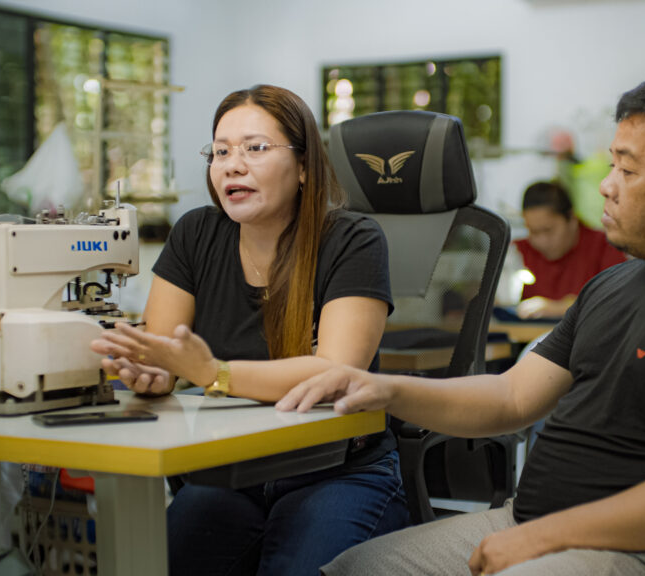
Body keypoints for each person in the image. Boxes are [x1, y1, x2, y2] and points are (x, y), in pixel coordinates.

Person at [276, 73, 645, 576]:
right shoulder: (614, 285)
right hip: (528, 522)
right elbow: (512, 397)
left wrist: (543, 538)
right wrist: (382, 388)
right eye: (611, 166)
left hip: (640, 553)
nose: (607, 187)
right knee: (353, 568)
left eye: (627, 171)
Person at [89, 84, 408, 575]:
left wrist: (213, 373)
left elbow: (335, 372)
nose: (231, 166)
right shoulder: (196, 233)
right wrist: (153, 375)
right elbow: (163, 353)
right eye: (220, 152)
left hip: (335, 471)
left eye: (255, 148)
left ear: (304, 166)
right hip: (231, 472)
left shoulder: (353, 240)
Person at [513, 180, 625, 319]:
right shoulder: (517, 252)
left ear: (571, 219)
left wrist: (557, 308)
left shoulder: (605, 247)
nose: (541, 241)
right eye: (533, 232)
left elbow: (616, 302)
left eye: (548, 230)